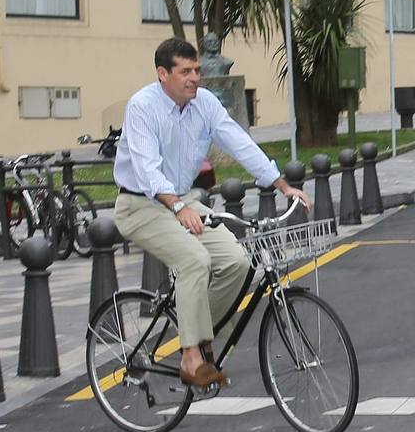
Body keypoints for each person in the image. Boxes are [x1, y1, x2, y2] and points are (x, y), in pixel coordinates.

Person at [113, 38, 311, 388]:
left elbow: (238, 141)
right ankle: (190, 358)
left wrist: (280, 184)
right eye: (184, 71)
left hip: (182, 200)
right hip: (140, 205)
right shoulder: (142, 107)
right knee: (194, 261)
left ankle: (201, 333)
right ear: (163, 74)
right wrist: (175, 206)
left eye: (196, 71)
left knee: (237, 261)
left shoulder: (204, 104)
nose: (194, 78)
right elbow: (146, 169)